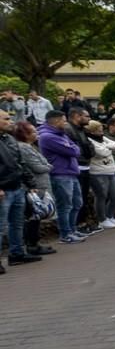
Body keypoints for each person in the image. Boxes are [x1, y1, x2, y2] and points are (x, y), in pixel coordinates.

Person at [0, 111, 40, 271]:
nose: (11, 121)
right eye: (6, 119)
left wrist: (30, 182)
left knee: (16, 223)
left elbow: (20, 162)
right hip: (4, 189)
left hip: (17, 187)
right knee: (0, 226)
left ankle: (16, 254)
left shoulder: (8, 138)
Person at [38, 111, 85, 243]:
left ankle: (72, 229)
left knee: (77, 203)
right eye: (64, 121)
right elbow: (73, 150)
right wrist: (72, 148)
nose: (66, 123)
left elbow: (76, 148)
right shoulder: (47, 136)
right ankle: (65, 234)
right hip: (60, 174)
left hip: (71, 173)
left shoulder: (61, 134)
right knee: (65, 205)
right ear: (56, 121)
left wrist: (72, 147)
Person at [13, 121, 56, 257]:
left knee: (36, 218)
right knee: (33, 217)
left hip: (40, 185)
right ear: (24, 134)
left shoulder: (30, 146)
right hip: (35, 187)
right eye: (33, 131)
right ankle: (32, 246)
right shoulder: (23, 148)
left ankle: (34, 244)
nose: (37, 133)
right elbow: (39, 167)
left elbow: (43, 164)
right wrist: (48, 166)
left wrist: (46, 165)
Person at [84, 120, 115, 231]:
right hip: (97, 172)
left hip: (110, 171)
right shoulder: (89, 140)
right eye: (99, 129)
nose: (102, 131)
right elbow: (101, 153)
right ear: (92, 130)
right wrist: (110, 148)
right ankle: (102, 220)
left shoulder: (103, 138)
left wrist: (108, 148)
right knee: (101, 196)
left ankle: (110, 216)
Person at [65, 107, 95, 231]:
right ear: (77, 116)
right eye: (86, 116)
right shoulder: (68, 129)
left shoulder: (82, 130)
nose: (89, 118)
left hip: (85, 165)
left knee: (83, 196)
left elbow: (89, 148)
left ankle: (82, 222)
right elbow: (74, 150)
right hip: (77, 167)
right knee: (77, 198)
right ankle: (77, 224)